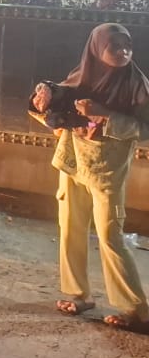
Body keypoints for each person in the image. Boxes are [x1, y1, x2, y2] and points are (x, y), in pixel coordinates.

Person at [32, 23, 149, 334]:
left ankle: (136, 310)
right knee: (71, 227)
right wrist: (44, 96)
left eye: (127, 45)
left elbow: (145, 129)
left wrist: (104, 115)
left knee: (110, 236)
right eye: (115, 46)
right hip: (73, 162)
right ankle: (79, 295)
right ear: (97, 49)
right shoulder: (83, 75)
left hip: (108, 171)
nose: (123, 51)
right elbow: (58, 99)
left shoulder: (137, 85)